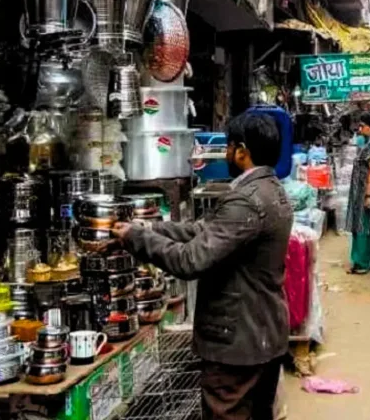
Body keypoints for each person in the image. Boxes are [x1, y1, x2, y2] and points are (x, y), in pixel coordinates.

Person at [111, 113, 293, 420]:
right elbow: (204, 231)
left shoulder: (246, 201)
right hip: (264, 334)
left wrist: (136, 239)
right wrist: (148, 228)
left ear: (242, 151)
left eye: (228, 147)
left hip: (238, 341)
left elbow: (190, 260)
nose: (225, 154)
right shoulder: (272, 190)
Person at [345, 113, 370, 274]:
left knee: (362, 225)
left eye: (362, 126)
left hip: (366, 192)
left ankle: (361, 263)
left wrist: (367, 195)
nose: (360, 129)